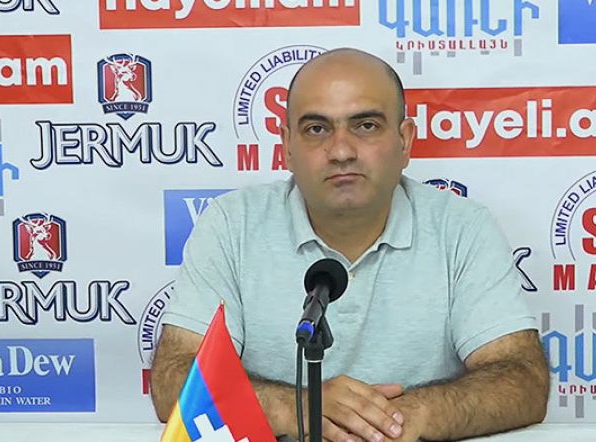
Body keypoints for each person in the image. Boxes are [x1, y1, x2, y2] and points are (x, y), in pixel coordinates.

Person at [150, 48, 549, 441]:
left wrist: (402, 417)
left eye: (366, 126)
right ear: (287, 146)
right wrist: (298, 408)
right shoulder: (231, 225)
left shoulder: (461, 228)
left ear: (405, 141)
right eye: (317, 129)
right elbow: (173, 380)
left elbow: (522, 379)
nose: (341, 151)